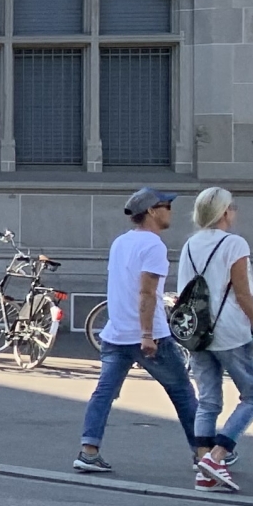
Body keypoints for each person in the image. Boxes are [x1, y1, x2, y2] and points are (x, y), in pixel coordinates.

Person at [75, 186, 203, 477]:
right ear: (152, 211)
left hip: (116, 332)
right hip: (149, 334)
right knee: (182, 392)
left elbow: (123, 287)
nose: (171, 211)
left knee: (103, 393)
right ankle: (203, 454)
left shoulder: (120, 242)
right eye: (167, 206)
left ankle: (88, 452)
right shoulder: (154, 246)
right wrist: (147, 334)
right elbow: (146, 292)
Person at [175, 187, 253, 491]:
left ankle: (203, 468)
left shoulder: (190, 244)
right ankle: (218, 456)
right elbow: (242, 292)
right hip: (229, 330)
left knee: (209, 401)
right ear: (225, 212)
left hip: (197, 330)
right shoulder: (234, 244)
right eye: (233, 207)